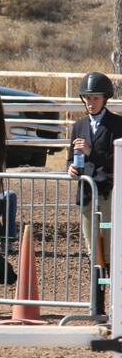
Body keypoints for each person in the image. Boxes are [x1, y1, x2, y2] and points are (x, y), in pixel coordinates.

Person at [68, 71, 121, 267]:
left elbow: (118, 160)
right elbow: (70, 157)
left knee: (109, 249)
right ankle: (96, 297)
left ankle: (113, 291)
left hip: (107, 192)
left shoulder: (117, 124)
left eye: (96, 98)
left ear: (104, 99)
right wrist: (70, 168)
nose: (91, 102)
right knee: (92, 251)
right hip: (86, 193)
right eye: (88, 98)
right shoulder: (79, 125)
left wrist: (91, 152)